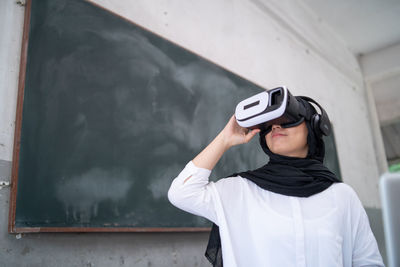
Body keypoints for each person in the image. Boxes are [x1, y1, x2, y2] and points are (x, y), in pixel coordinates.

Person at [168, 96, 384, 267]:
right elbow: (182, 193)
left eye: (287, 120)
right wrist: (224, 139)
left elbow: (367, 262)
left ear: (314, 128)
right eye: (269, 125)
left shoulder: (341, 195)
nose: (275, 127)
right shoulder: (241, 190)